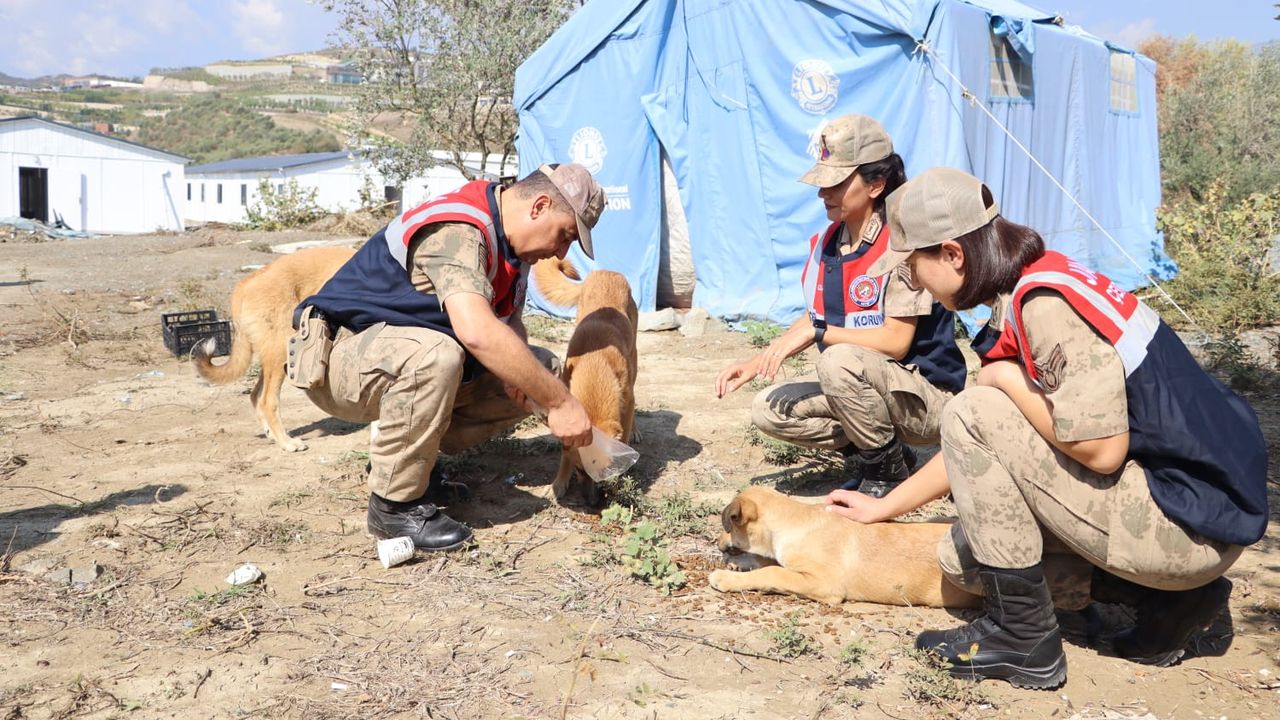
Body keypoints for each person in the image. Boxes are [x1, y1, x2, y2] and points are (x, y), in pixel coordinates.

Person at [830, 166, 1268, 688]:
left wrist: (1005, 381)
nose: (913, 283)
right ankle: (1168, 601)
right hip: (1188, 508)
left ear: (952, 254)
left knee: (974, 408)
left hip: (1187, 527)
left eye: (912, 267)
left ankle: (1023, 638)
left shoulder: (1045, 304)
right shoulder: (1035, 278)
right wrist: (885, 507)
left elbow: (1101, 451)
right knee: (961, 559)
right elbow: (987, 445)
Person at [290, 163, 606, 551]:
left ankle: (412, 465)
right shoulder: (461, 229)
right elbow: (476, 331)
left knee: (539, 370)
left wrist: (524, 380)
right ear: (539, 207)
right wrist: (560, 403)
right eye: (565, 235)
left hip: (391, 355)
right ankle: (393, 508)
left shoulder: (511, 245)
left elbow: (508, 326)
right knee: (437, 356)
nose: (561, 252)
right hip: (339, 359)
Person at [714, 114, 966, 498]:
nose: (823, 194)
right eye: (822, 183)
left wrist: (820, 333)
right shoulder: (829, 242)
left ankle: (886, 474)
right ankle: (890, 454)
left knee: (837, 360)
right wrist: (758, 361)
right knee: (769, 409)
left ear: (876, 185)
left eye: (836, 184)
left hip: (926, 399)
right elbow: (817, 315)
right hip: (866, 385)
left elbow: (896, 341)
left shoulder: (904, 243)